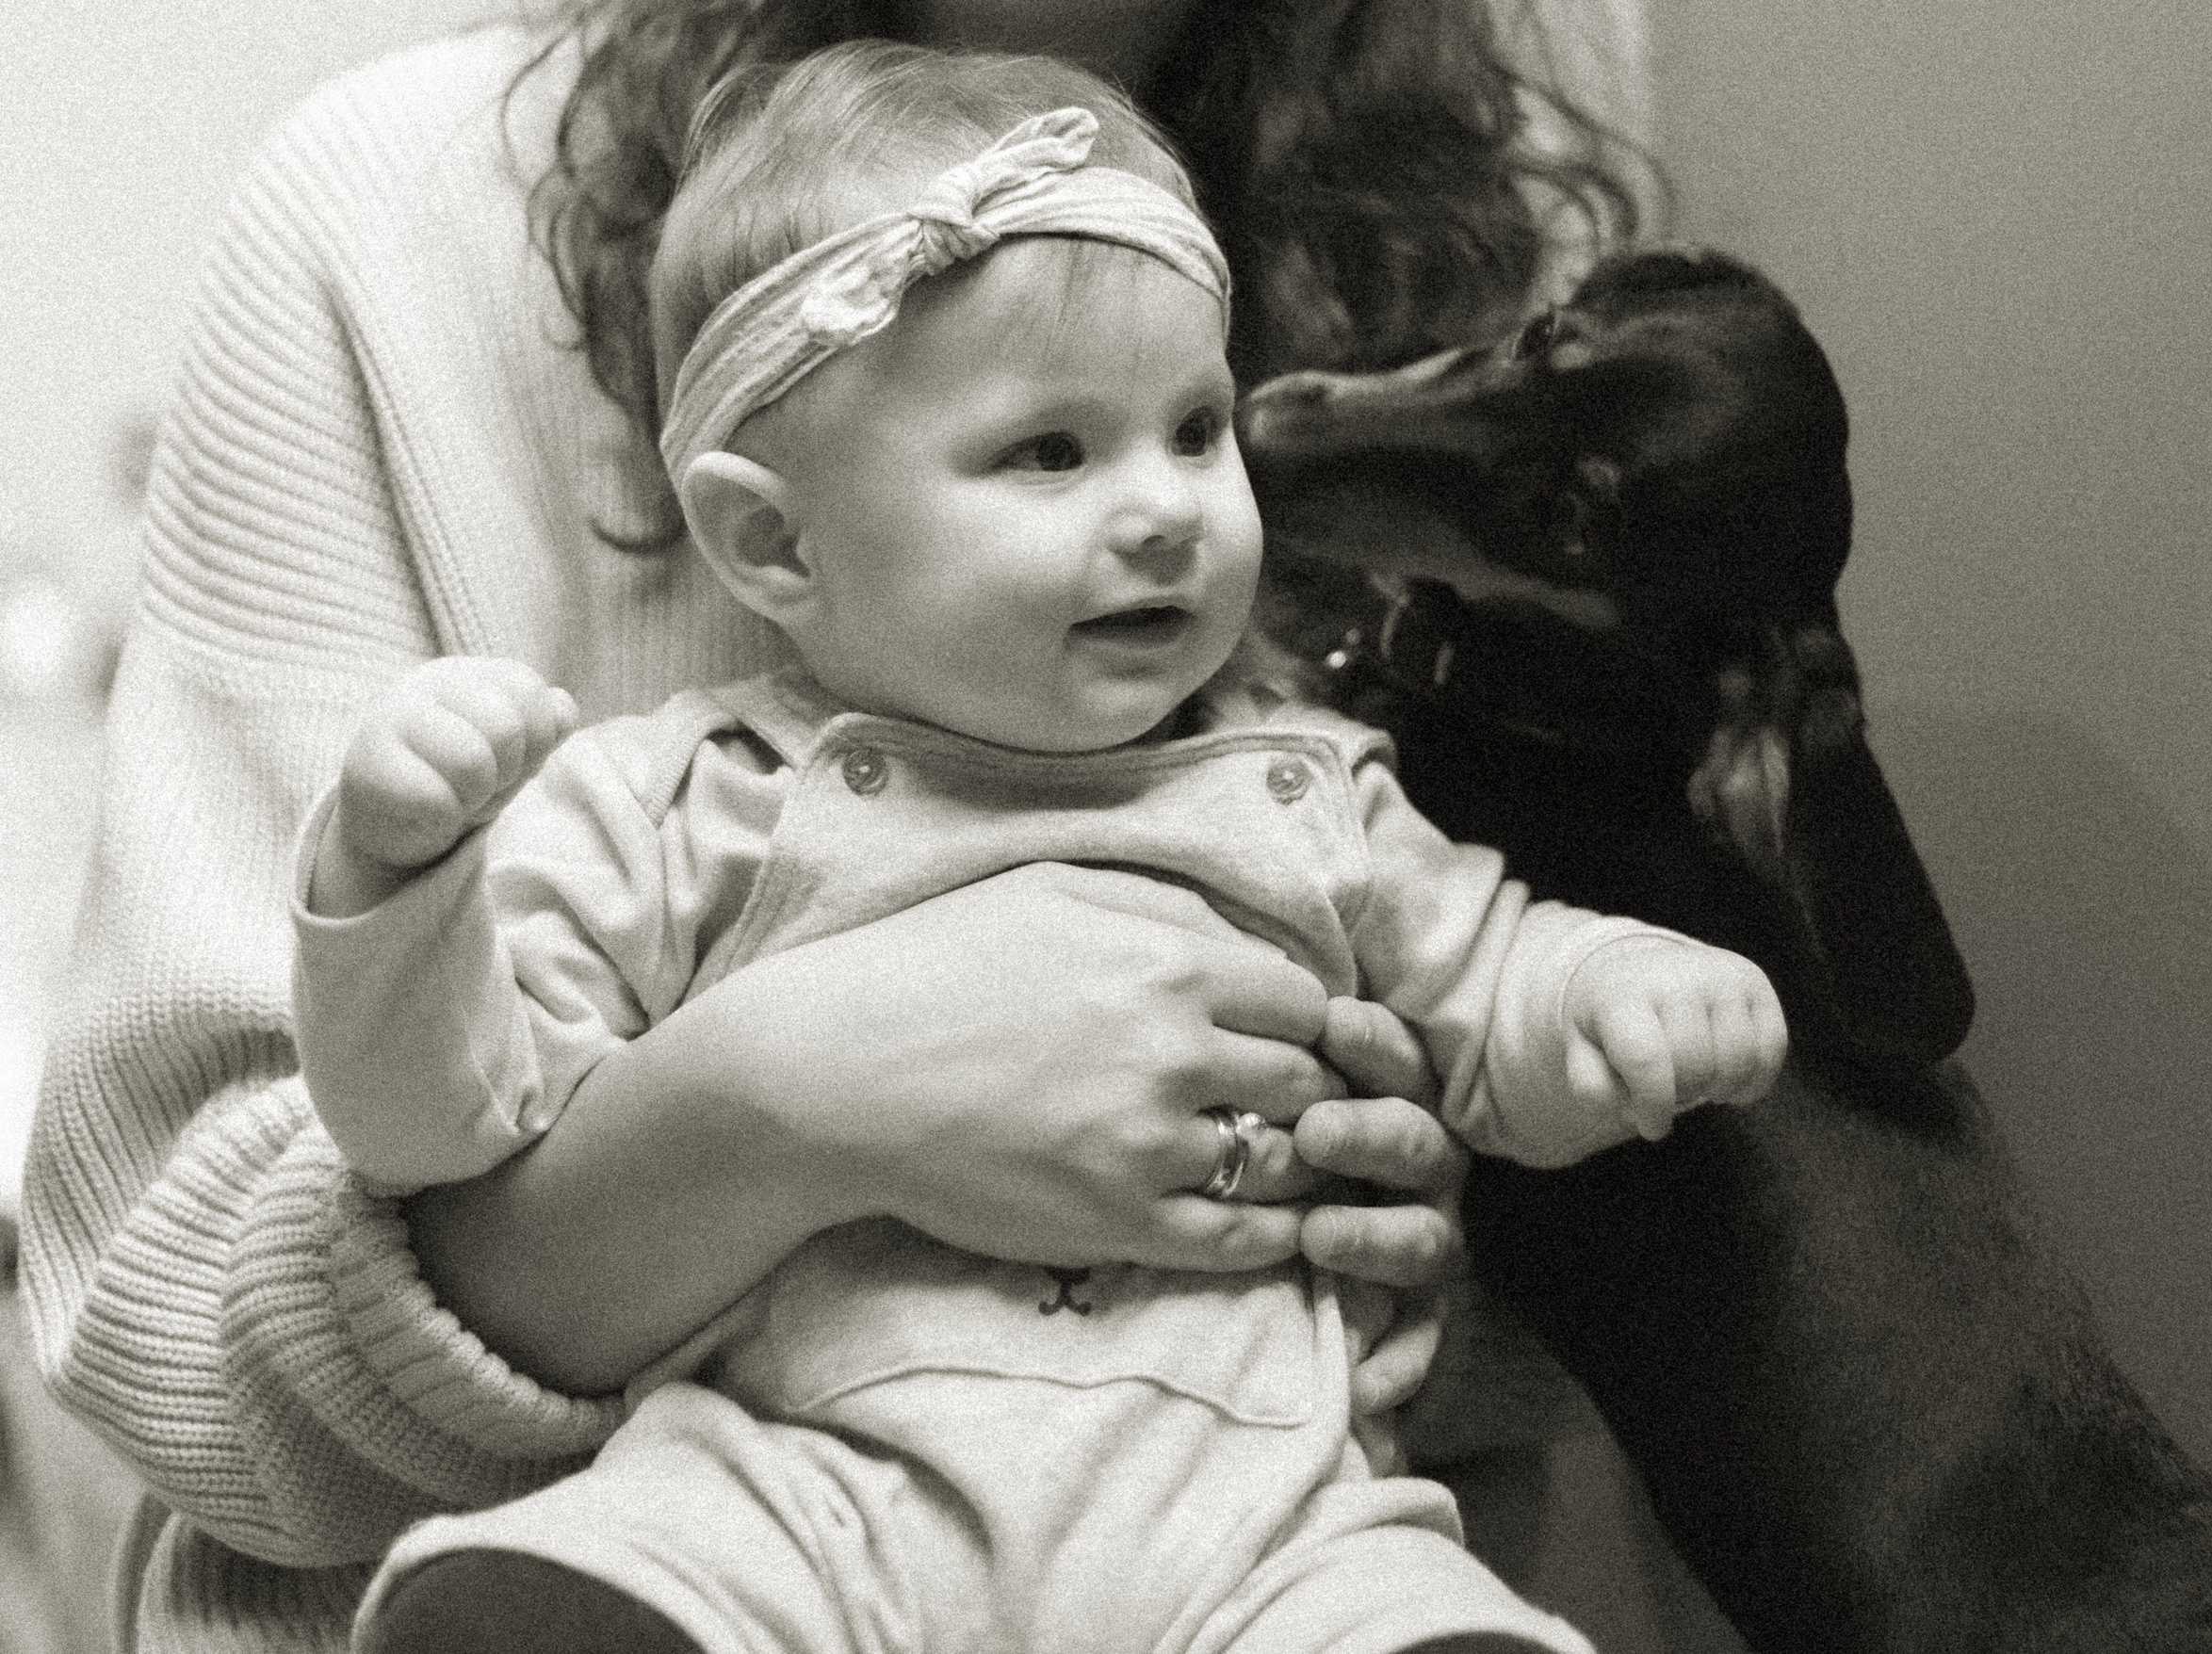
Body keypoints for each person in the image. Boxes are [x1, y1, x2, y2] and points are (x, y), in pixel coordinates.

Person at [20, 6, 1647, 1652]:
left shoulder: (1468, 264)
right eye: (1046, 450)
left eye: (1200, 431)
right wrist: (777, 1097)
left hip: (1245, 1521)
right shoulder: (405, 242)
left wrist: (1443, 1174)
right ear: (766, 538)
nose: (1162, 509)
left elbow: (1557, 1082)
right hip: (739, 1521)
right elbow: (207, 1312)